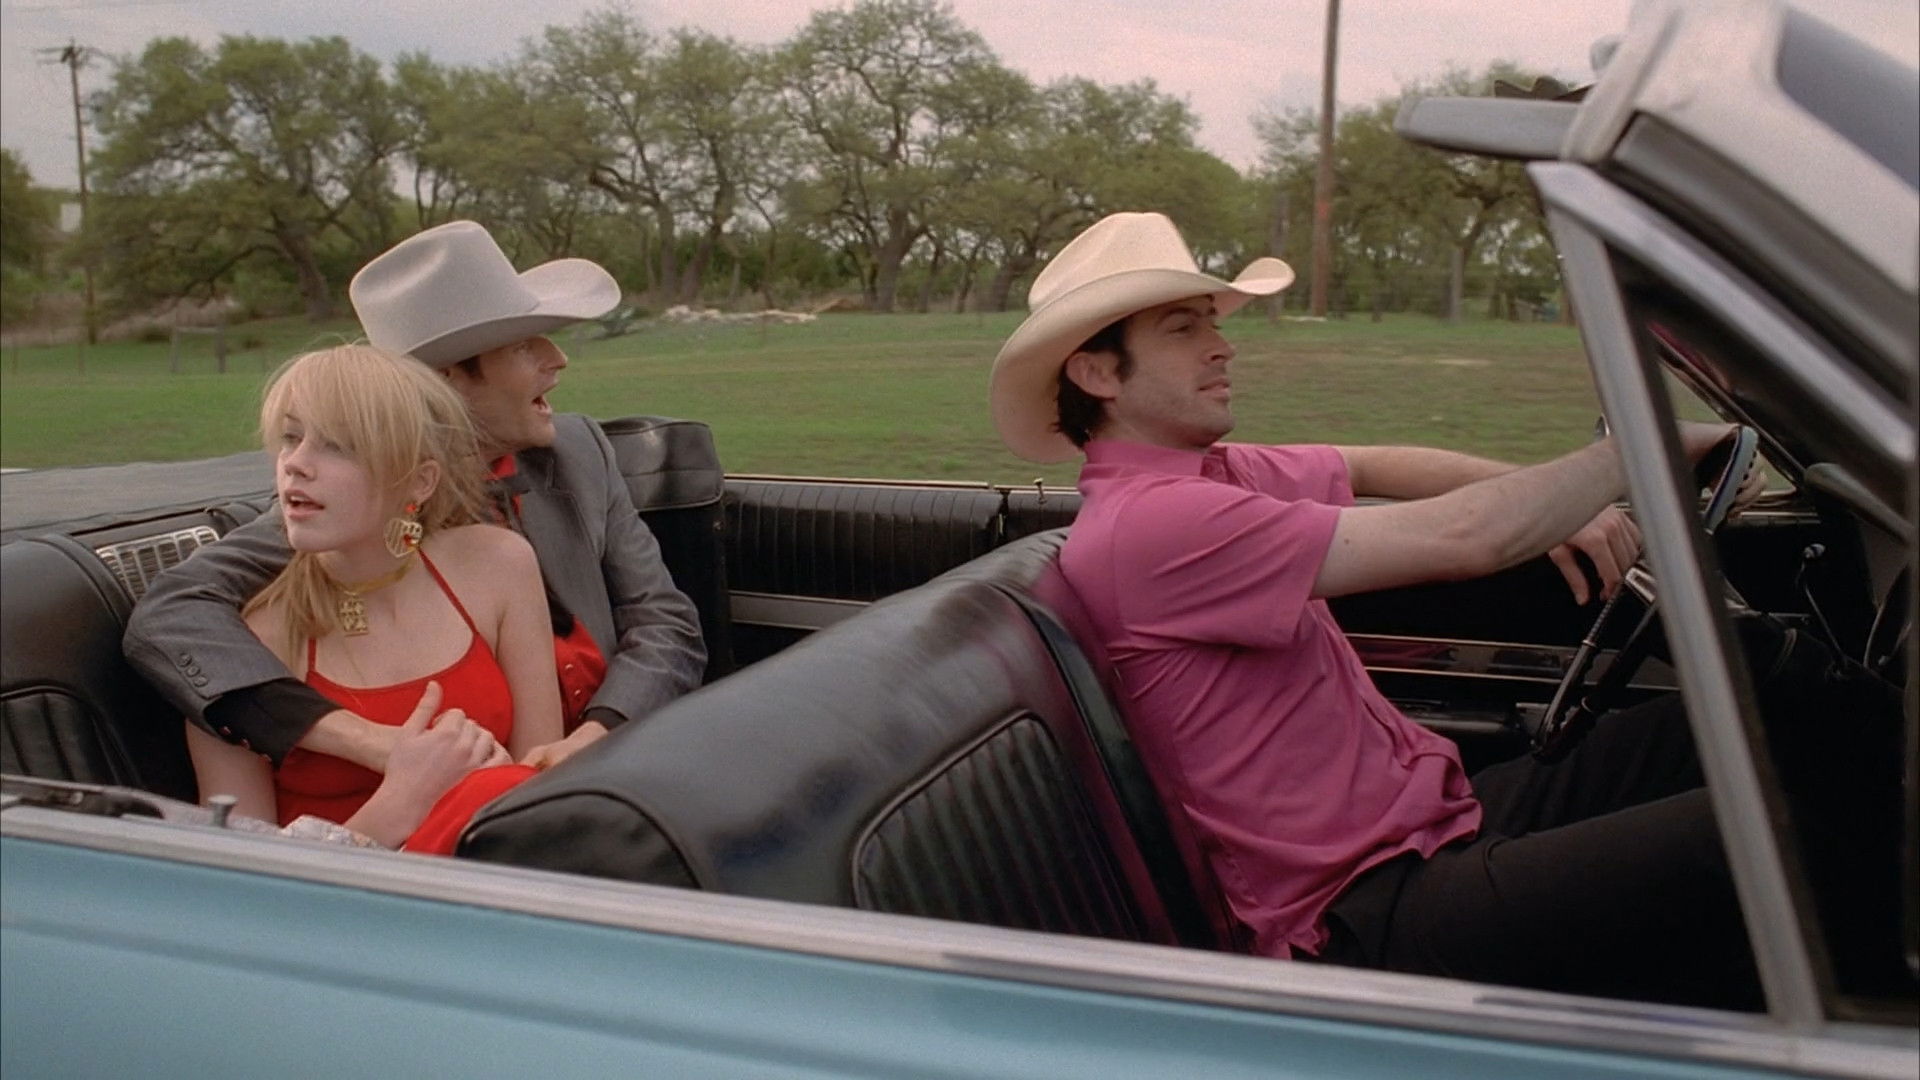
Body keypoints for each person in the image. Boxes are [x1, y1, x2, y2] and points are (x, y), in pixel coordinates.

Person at [989, 212, 1898, 1007]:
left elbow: (1379, 463)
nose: (1223, 346)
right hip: (1366, 910)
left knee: (1740, 725)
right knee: (1795, 836)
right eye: (1185, 328)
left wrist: (1572, 509)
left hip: (1433, 818)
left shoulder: (1217, 474)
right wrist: (1636, 453)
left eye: (1214, 323)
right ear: (1098, 373)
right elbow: (1468, 537)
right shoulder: (1156, 524)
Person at [127, 221, 704, 780]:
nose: (557, 359)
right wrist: (357, 737)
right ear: (447, 381)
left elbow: (665, 622)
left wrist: (596, 734)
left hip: (624, 754)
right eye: (523, 346)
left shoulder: (580, 451)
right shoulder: (352, 511)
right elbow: (170, 615)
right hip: (488, 790)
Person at [185, 344, 554, 852]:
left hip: (508, 869)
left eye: (338, 445)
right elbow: (239, 878)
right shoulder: (239, 650)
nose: (296, 464)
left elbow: (540, 784)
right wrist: (401, 802)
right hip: (347, 895)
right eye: (291, 438)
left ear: (420, 481)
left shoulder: (498, 566)